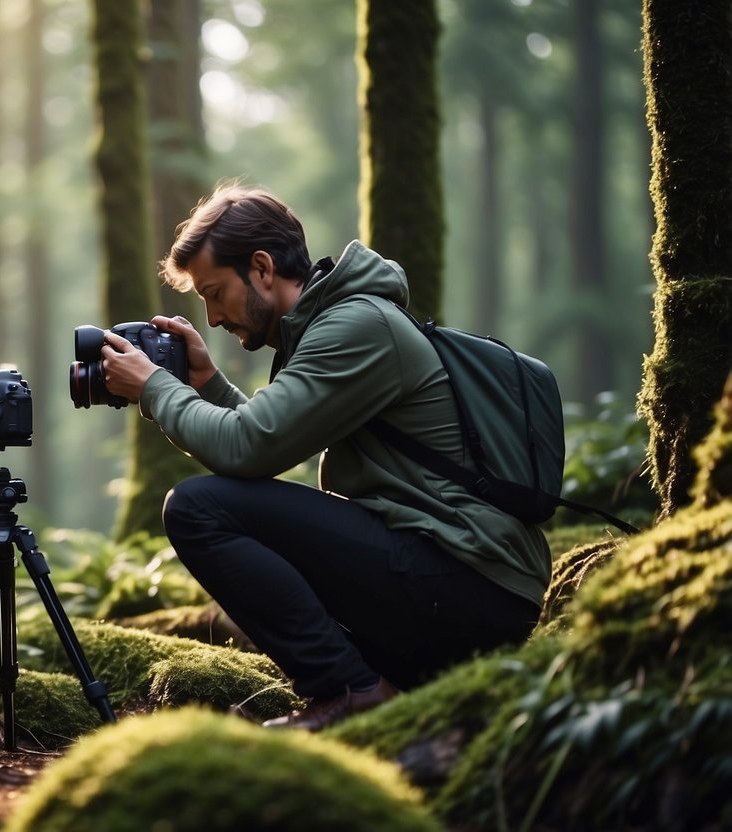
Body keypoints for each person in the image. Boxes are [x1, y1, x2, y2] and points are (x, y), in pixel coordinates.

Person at [99, 184, 550, 731]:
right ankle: (370, 685)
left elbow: (247, 448)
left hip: (466, 581)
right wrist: (207, 385)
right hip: (449, 579)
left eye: (215, 293)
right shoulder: (326, 327)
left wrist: (154, 389)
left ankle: (351, 691)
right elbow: (268, 451)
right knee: (216, 505)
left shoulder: (358, 326)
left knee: (198, 508)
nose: (213, 318)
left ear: (262, 268)